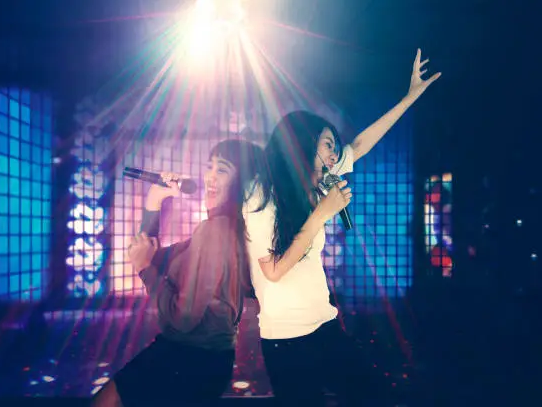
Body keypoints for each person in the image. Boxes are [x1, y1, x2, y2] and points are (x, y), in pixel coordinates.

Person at [243, 49, 441, 405]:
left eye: (335, 148)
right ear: (303, 144)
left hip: (325, 325)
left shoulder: (318, 181)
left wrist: (410, 97)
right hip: (285, 340)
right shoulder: (262, 194)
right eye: (329, 146)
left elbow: (361, 143)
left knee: (374, 394)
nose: (335, 156)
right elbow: (273, 271)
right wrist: (321, 212)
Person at [91, 139, 261, 406]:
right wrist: (155, 200)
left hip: (188, 356)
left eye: (223, 169)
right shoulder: (224, 229)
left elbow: (182, 318)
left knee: (106, 402)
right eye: (210, 167)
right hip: (203, 358)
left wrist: (145, 269)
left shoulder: (215, 232)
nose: (210, 177)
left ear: (242, 182)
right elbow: (152, 253)